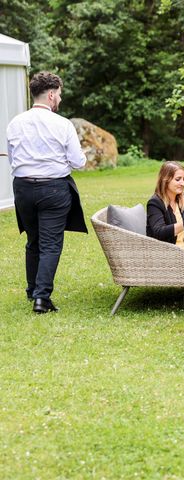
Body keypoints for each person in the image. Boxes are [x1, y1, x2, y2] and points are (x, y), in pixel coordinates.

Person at [7, 71, 87, 314]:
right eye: (59, 95)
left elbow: (13, 159)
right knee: (51, 244)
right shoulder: (62, 124)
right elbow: (78, 162)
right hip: (53, 189)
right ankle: (42, 299)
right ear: (51, 95)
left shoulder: (15, 123)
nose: (60, 100)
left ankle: (32, 291)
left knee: (33, 240)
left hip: (22, 188)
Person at [146, 161, 184, 246]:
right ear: (166, 180)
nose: (182, 183)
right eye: (178, 179)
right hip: (168, 253)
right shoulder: (155, 203)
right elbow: (159, 232)